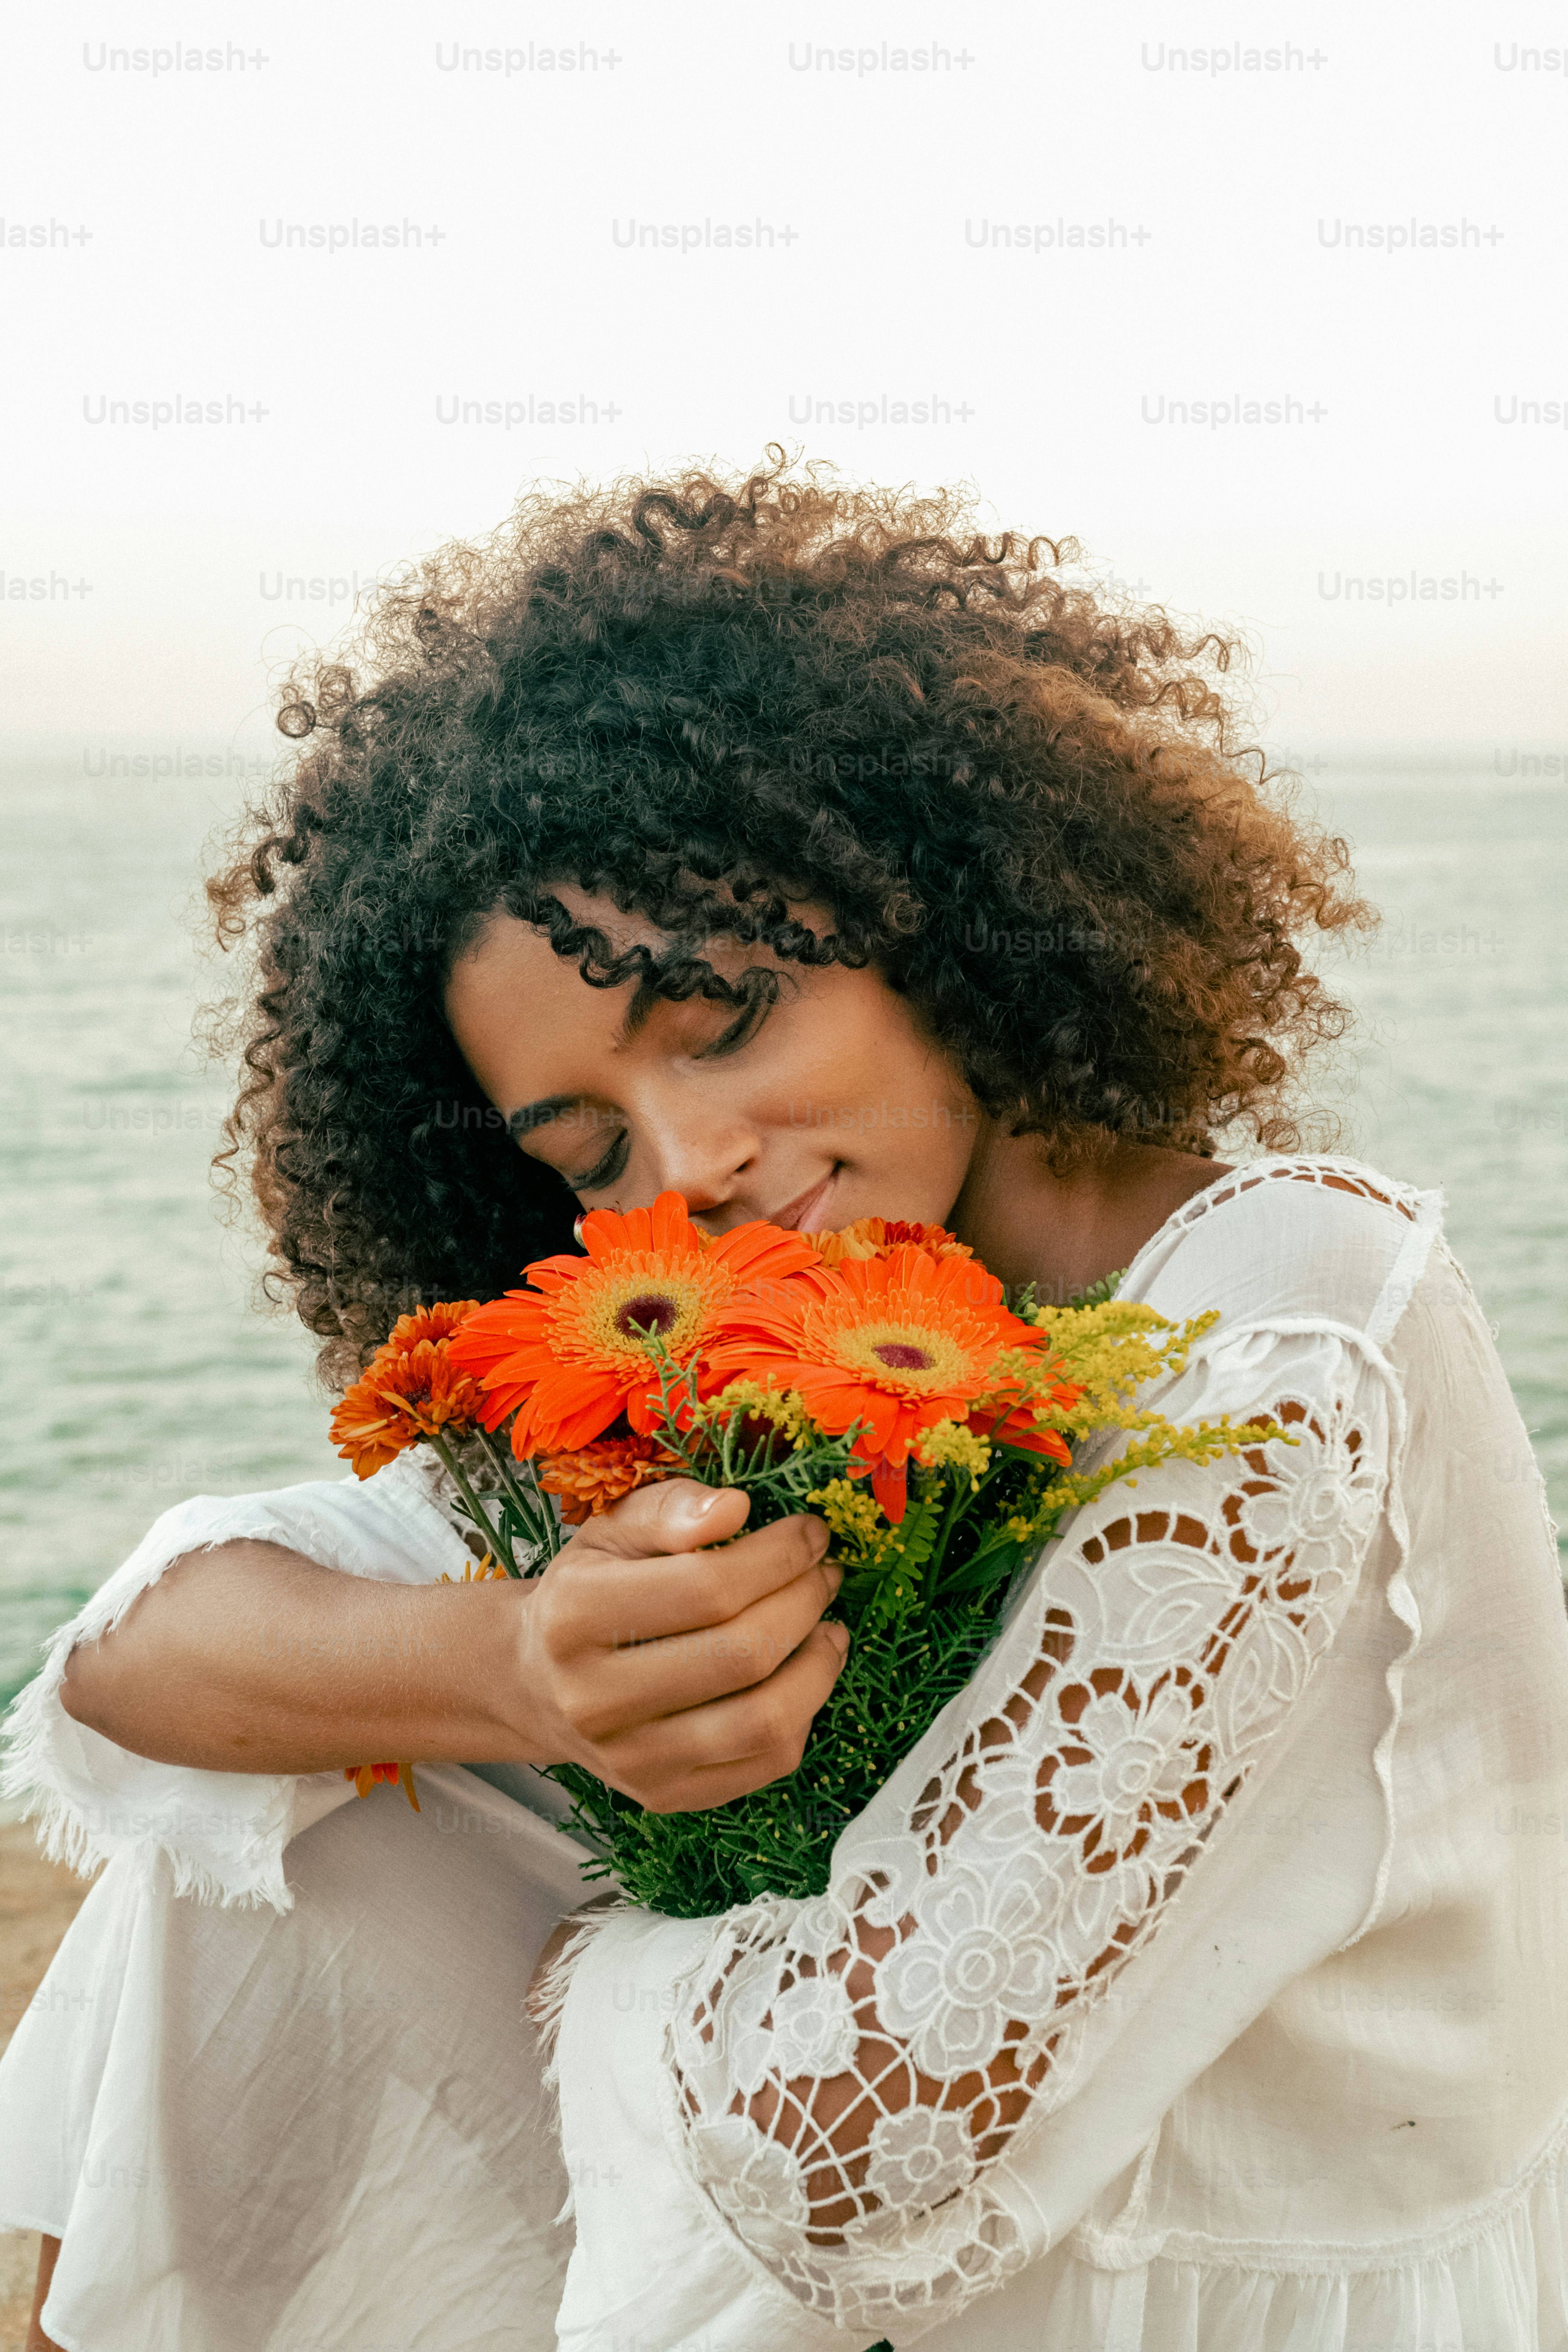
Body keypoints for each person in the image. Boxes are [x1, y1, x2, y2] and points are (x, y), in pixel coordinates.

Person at [3, 456, 1564, 2352]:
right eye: (587, 1153)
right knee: (264, 1844)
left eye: (724, 1018)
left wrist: (566, 1946)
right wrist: (515, 1665)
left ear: (936, 903)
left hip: (1180, 2308)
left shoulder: (1289, 1328)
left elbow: (849, 2144)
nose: (689, 1171)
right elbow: (134, 1662)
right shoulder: (770, 1355)